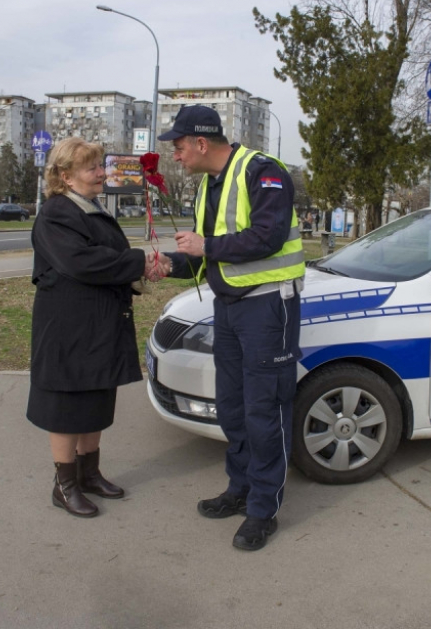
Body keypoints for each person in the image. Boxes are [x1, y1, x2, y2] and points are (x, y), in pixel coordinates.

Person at [150, 105, 305, 551]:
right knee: (233, 407)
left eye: (179, 145)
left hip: (267, 307)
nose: (175, 154)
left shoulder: (262, 172)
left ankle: (263, 509)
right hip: (231, 308)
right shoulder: (208, 186)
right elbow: (207, 255)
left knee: (264, 409)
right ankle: (240, 488)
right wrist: (171, 264)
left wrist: (207, 245)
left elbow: (267, 237)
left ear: (201, 143)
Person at [27, 137, 159, 518]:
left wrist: (136, 267)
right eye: (92, 168)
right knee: (67, 406)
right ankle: (64, 484)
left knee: (96, 398)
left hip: (97, 326)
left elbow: (110, 257)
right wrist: (138, 263)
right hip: (68, 330)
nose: (102, 173)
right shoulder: (56, 213)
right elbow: (82, 262)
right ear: (66, 177)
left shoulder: (90, 208)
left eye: (101, 165)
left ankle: (89, 473)